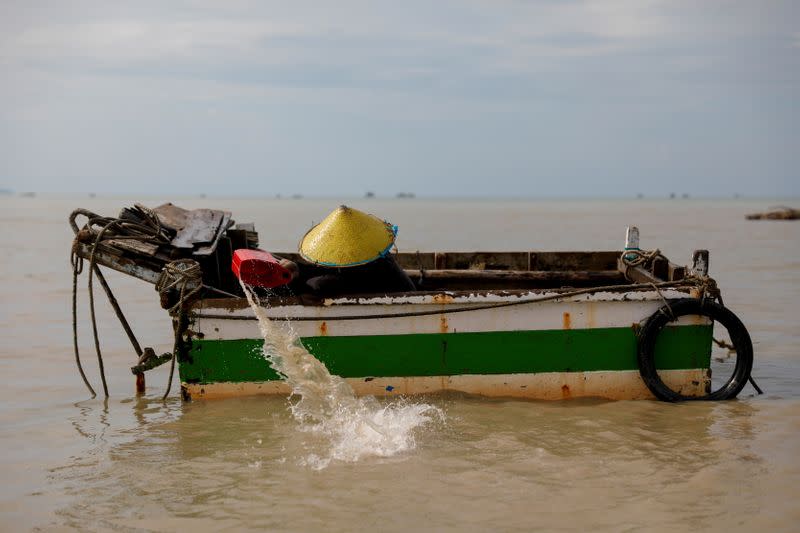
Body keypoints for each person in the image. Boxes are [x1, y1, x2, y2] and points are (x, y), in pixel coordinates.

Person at [298, 205, 415, 296]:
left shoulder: (369, 270)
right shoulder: (374, 253)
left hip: (402, 296)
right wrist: (298, 269)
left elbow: (321, 285)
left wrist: (301, 281)